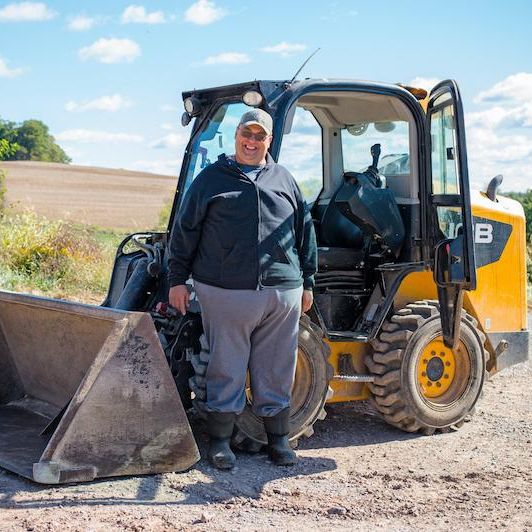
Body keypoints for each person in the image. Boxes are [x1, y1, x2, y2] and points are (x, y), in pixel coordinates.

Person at [168, 108, 317, 469]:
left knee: (278, 366)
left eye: (259, 137)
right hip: (225, 290)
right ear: (235, 136)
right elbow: (184, 232)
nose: (251, 142)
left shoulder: (285, 180)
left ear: (269, 140)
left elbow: (304, 232)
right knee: (226, 365)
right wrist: (176, 280)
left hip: (283, 291)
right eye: (245, 136)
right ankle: (220, 442)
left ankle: (279, 441)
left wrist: (308, 281)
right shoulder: (211, 179)